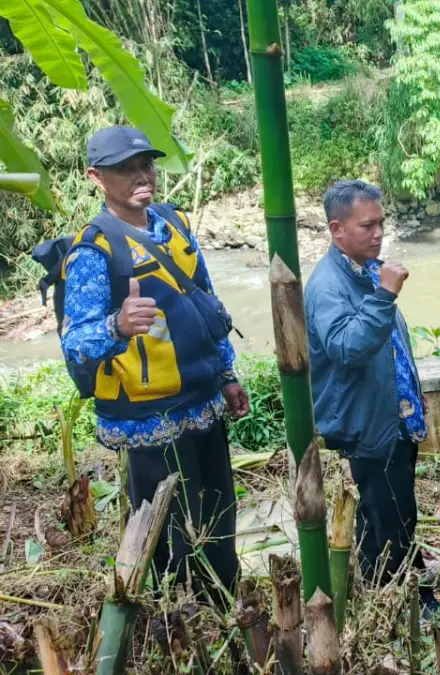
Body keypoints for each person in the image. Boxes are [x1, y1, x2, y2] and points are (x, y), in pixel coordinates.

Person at [61, 126, 248, 607]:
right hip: (147, 423)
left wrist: (227, 374)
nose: (141, 176)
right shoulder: (93, 250)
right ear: (96, 177)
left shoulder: (175, 225)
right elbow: (76, 343)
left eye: (146, 164)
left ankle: (223, 607)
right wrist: (118, 326)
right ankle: (174, 619)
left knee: (218, 519)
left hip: (202, 404)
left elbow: (208, 304)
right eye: (125, 168)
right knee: (168, 537)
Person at [305, 180, 440, 615]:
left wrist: (413, 393)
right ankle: (414, 603)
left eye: (382, 222)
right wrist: (386, 294)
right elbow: (347, 347)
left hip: (394, 412)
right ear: (336, 228)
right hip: (368, 420)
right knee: (395, 516)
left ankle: (371, 583)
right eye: (368, 225)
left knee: (385, 508)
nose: (379, 232)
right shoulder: (328, 285)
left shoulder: (366, 268)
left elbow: (393, 344)